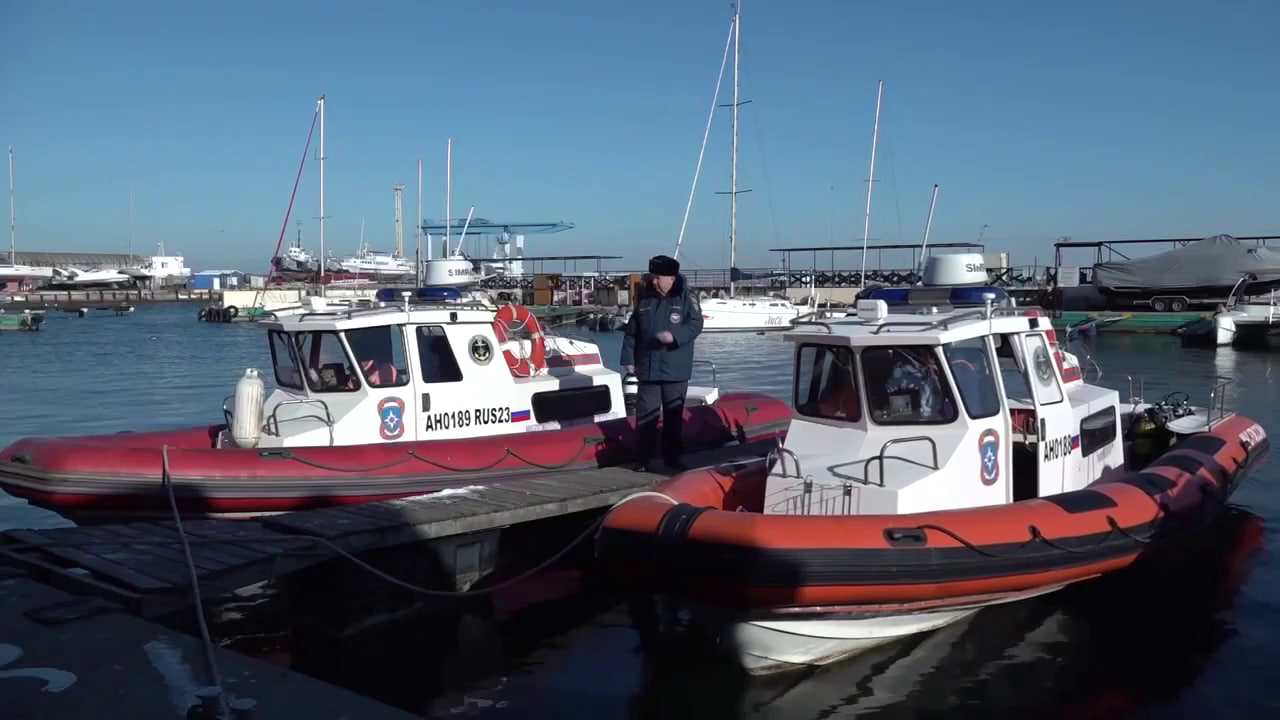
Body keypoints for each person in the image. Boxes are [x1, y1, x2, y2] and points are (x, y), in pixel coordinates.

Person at [620, 254, 704, 471]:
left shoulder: (687, 298)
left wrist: (674, 336)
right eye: (653, 277)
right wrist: (628, 359)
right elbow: (632, 333)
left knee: (673, 418)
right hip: (648, 368)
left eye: (658, 277)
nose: (654, 281)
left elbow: (695, 325)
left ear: (671, 278)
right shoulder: (646, 299)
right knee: (645, 415)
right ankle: (642, 461)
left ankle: (672, 460)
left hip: (675, 369)